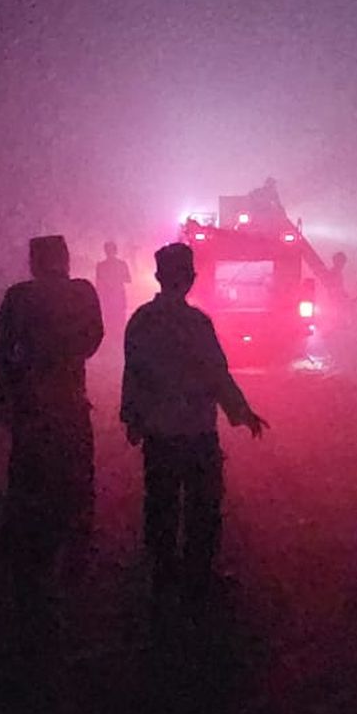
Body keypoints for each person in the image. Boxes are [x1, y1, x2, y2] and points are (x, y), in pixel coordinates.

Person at [121, 243, 268, 603]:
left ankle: (163, 574)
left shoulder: (141, 321)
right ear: (190, 280)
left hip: (160, 432)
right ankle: (199, 576)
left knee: (161, 502)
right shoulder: (197, 323)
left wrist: (133, 418)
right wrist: (242, 412)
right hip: (198, 431)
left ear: (158, 276)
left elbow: (133, 375)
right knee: (203, 506)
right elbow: (218, 375)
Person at [0, 235, 103, 606]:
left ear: (34, 261)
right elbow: (93, 339)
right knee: (76, 474)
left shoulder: (18, 296)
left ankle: (24, 551)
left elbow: (3, 349)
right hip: (70, 397)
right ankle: (75, 546)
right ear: (66, 259)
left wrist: (3, 393)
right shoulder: (82, 292)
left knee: (27, 475)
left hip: (30, 401)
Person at [95, 241, 132, 347]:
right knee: (116, 319)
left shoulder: (101, 266)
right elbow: (128, 279)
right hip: (115, 296)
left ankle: (113, 341)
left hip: (111, 296)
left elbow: (98, 283)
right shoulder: (121, 264)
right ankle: (116, 341)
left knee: (111, 319)